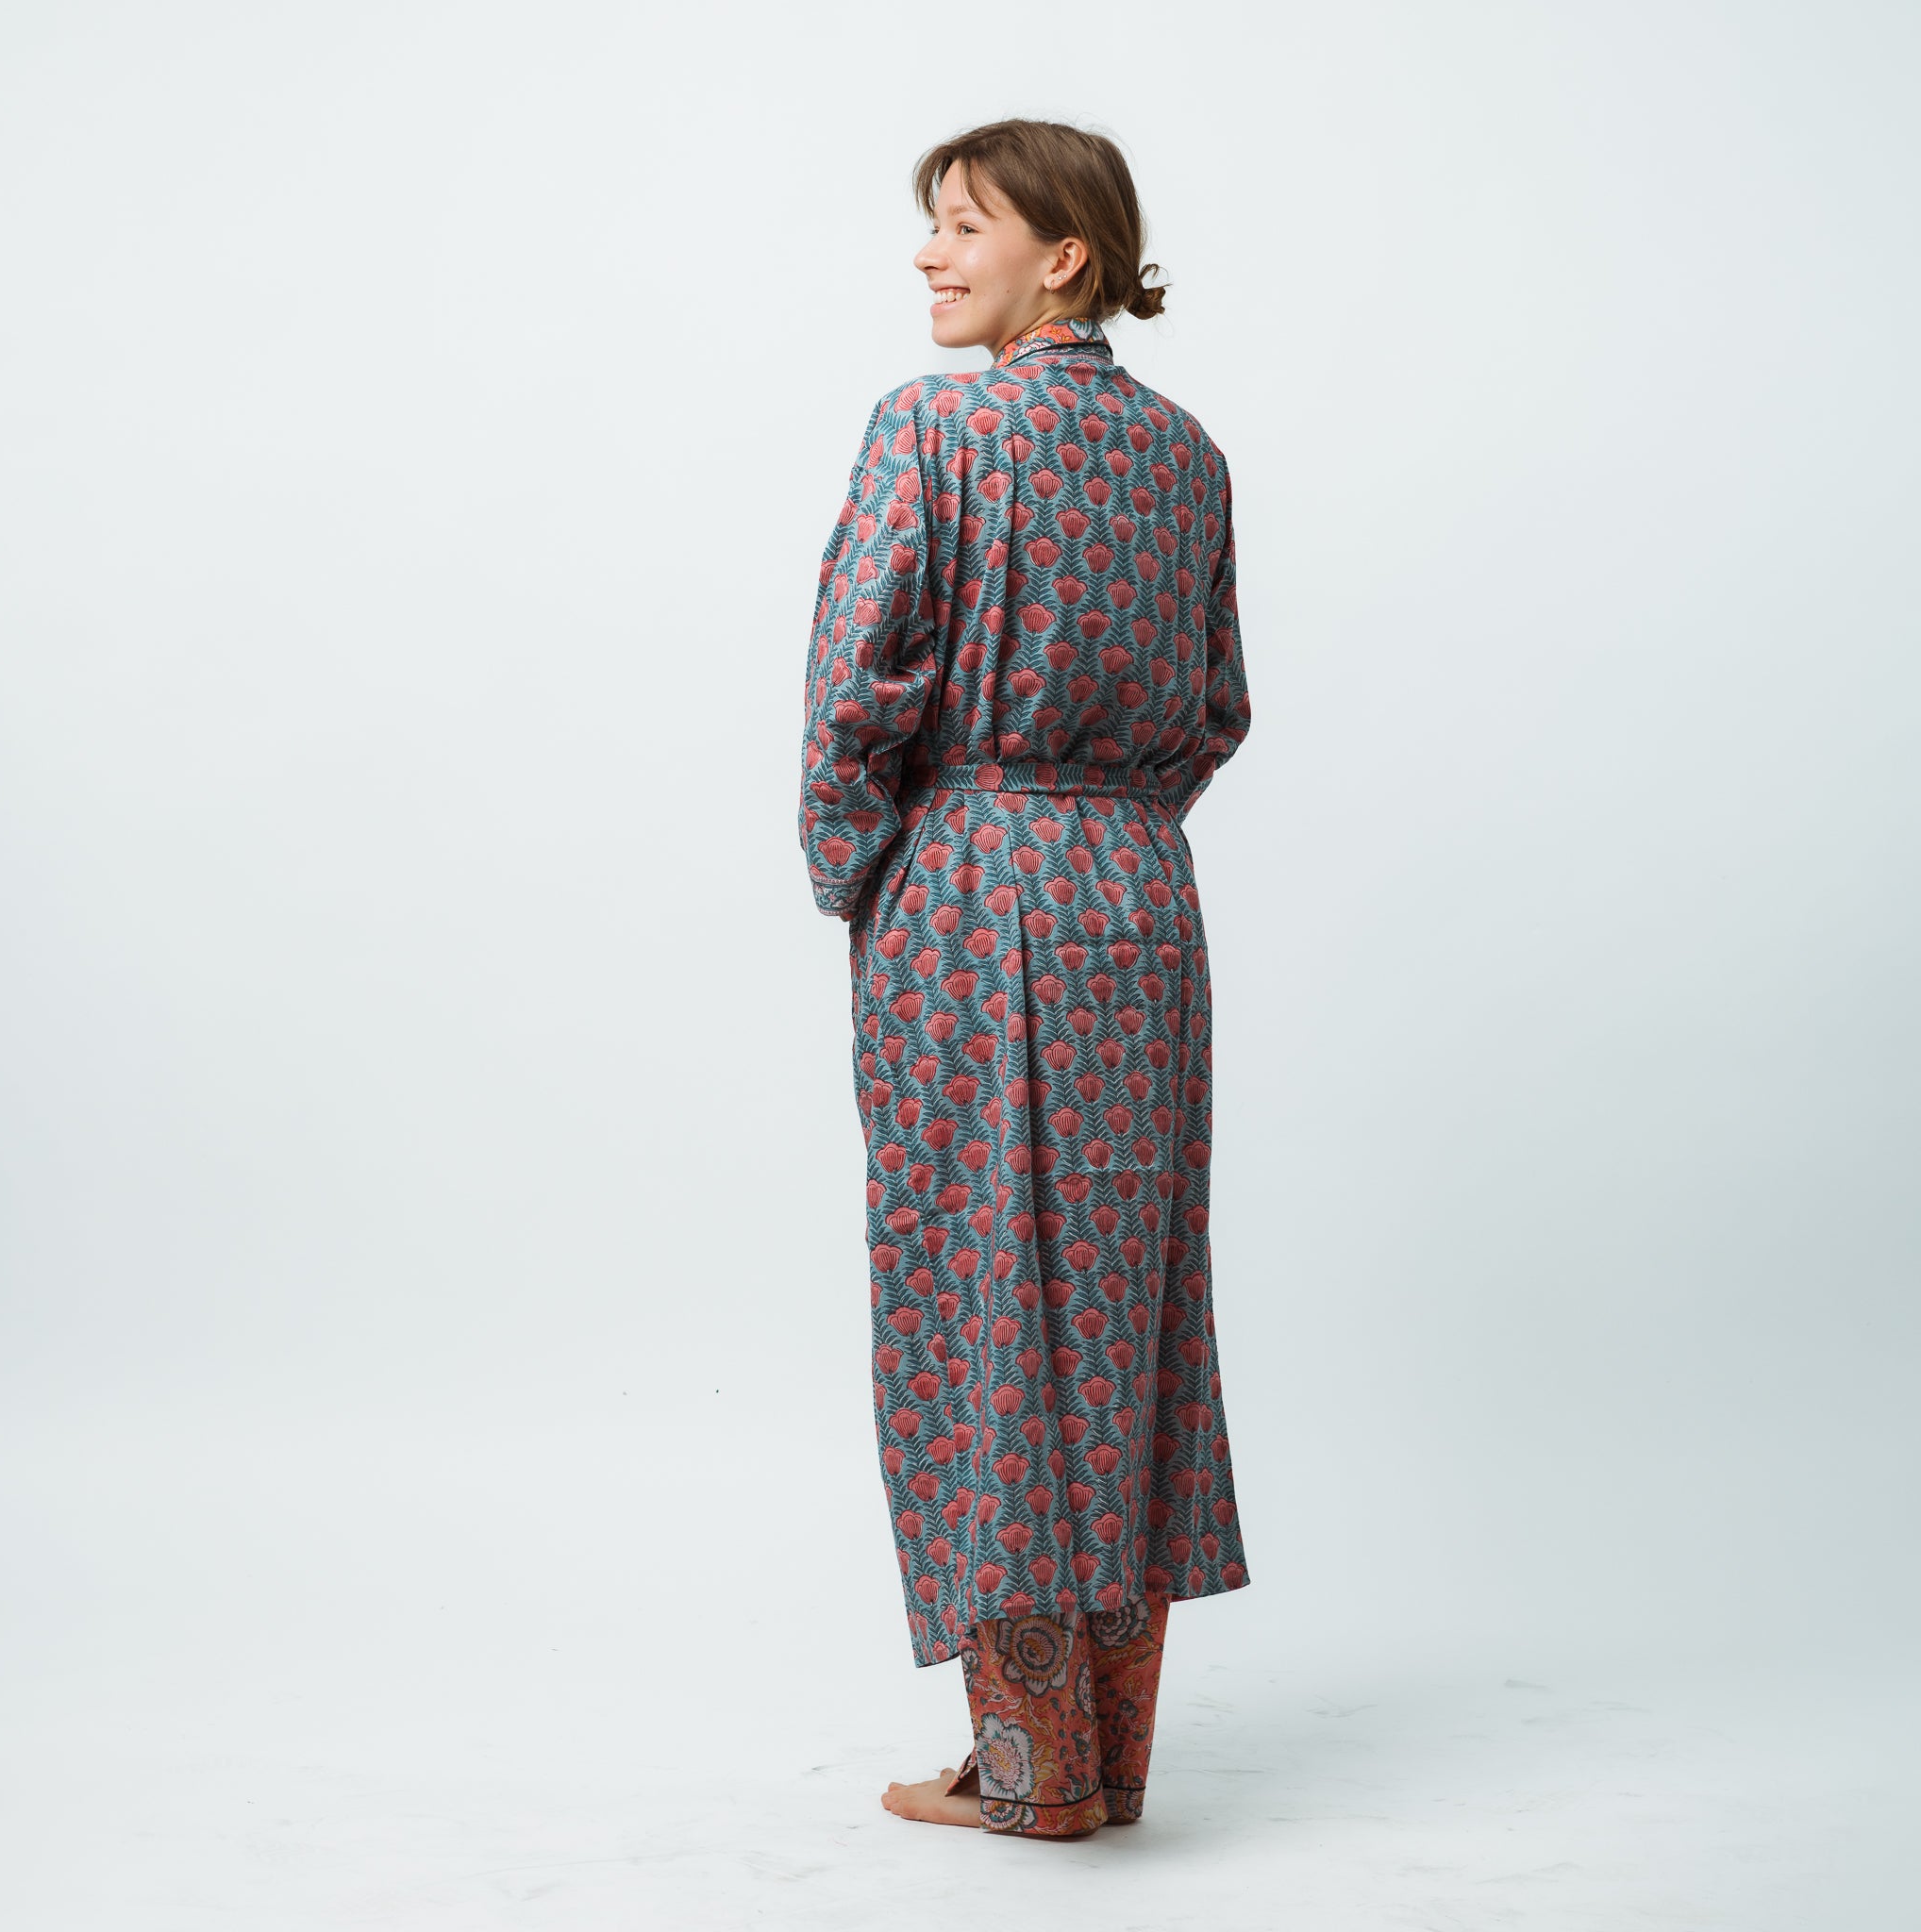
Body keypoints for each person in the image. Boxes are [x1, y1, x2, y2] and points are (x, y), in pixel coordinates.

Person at [796, 117, 1255, 1840]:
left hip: (976, 897)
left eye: (962, 225)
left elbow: (858, 695)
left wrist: (867, 878)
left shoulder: (934, 430)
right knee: (1123, 1303)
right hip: (1140, 898)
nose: (930, 254)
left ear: (1063, 253)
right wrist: (1110, 826)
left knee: (982, 1299)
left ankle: (1026, 1767)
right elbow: (1214, 704)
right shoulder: (1189, 458)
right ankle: (1104, 1765)